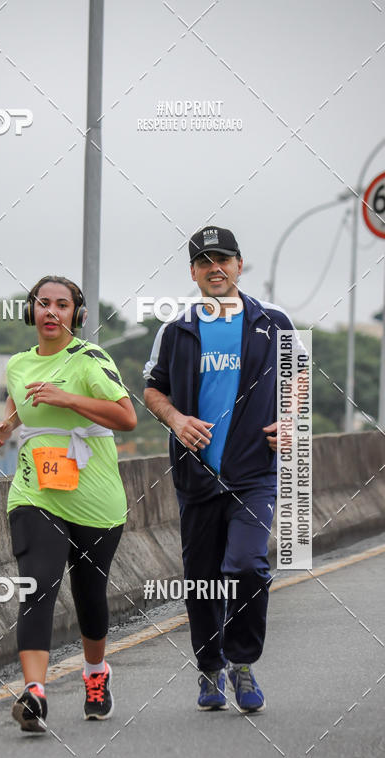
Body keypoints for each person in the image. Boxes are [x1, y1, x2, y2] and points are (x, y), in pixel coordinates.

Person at [143, 226, 299, 714]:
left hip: (255, 473)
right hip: (197, 475)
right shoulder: (175, 329)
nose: (215, 267)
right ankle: (209, 670)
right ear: (193, 272)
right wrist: (175, 418)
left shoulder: (274, 322)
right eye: (205, 261)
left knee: (248, 564)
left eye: (224, 259)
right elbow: (152, 390)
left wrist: (293, 421)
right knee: (203, 579)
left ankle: (243, 662)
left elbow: (298, 382)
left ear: (239, 265)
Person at [0, 275, 137, 732]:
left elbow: (127, 417)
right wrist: (5, 428)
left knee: (90, 594)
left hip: (95, 497)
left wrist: (67, 397)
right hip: (36, 492)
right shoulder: (18, 364)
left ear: (78, 314)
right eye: (43, 304)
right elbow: (22, 401)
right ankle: (34, 692)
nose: (51, 312)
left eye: (62, 305)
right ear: (30, 311)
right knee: (38, 584)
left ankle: (95, 674)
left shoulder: (90, 359)